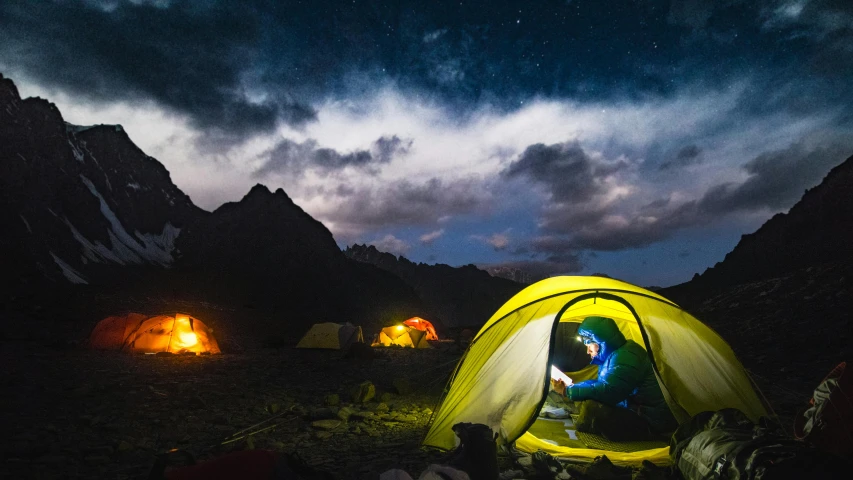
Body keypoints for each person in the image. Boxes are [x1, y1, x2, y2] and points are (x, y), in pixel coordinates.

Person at [551, 316, 678, 441]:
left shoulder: (627, 356)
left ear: (600, 342)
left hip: (652, 421)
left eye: (589, 345)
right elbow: (602, 384)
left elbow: (609, 392)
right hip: (637, 410)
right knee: (590, 401)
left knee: (593, 407)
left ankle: (650, 436)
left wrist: (567, 391)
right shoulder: (616, 354)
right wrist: (572, 386)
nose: (587, 351)